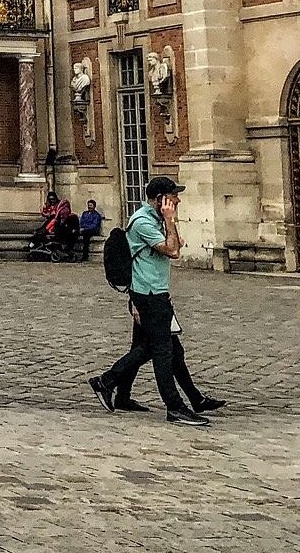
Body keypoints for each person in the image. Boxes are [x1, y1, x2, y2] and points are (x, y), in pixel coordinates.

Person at [90, 176, 212, 426]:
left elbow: (175, 244)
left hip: (155, 292)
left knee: (152, 348)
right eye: (173, 196)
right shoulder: (144, 222)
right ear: (160, 200)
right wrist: (169, 221)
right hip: (149, 296)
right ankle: (174, 407)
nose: (177, 200)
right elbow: (174, 251)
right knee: (162, 351)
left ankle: (118, 391)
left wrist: (169, 226)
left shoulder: (155, 219)